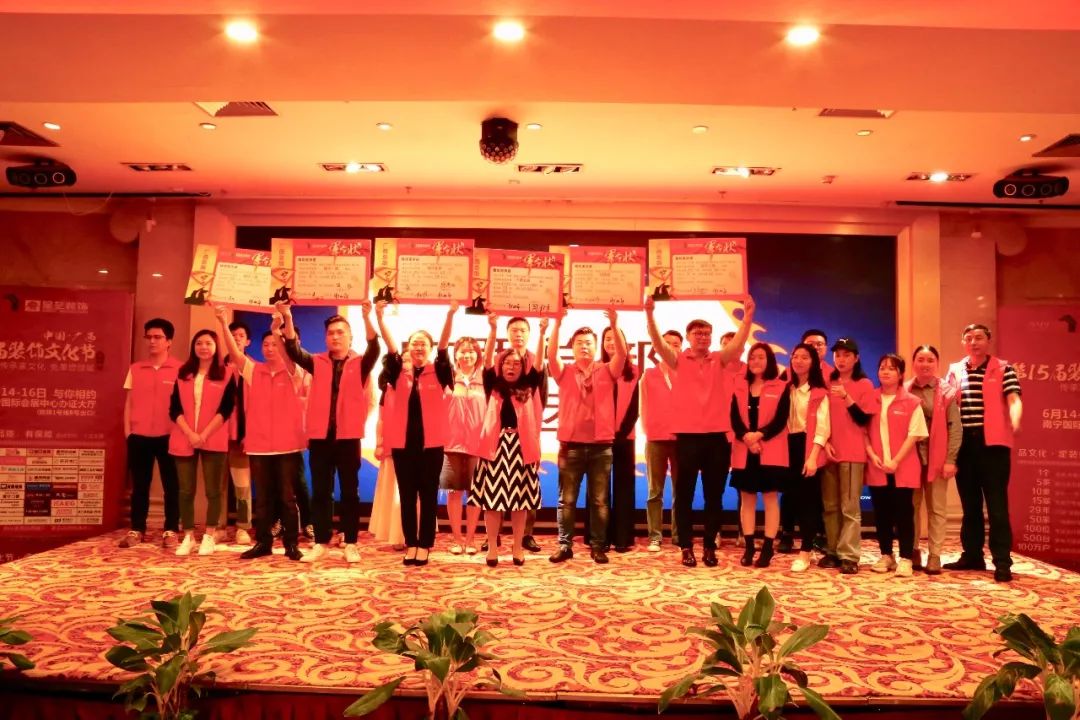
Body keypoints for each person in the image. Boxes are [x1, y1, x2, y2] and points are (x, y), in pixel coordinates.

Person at [644, 295, 755, 567]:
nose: (703, 337)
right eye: (697, 333)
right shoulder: (678, 360)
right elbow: (657, 343)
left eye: (706, 333)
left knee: (714, 496)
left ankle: (709, 546)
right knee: (684, 495)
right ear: (688, 337)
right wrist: (649, 314)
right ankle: (685, 546)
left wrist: (748, 316)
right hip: (687, 438)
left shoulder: (720, 359)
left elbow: (739, 343)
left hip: (717, 438)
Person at [280, 301, 380, 565]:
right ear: (325, 338)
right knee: (321, 492)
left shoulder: (360, 363)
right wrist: (287, 316)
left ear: (350, 337)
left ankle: (351, 542)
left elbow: (375, 347)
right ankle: (321, 543)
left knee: (350, 492)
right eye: (331, 333)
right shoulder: (317, 362)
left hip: (348, 438)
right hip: (320, 438)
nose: (335, 337)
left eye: (340, 332)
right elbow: (292, 349)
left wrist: (367, 317)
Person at [215, 306, 305, 561]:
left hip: (288, 445)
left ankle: (291, 544)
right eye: (265, 344)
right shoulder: (254, 370)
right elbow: (234, 352)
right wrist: (222, 322)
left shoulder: (294, 371)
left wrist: (279, 328)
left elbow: (290, 350)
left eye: (274, 344)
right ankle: (263, 543)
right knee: (263, 498)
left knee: (287, 498)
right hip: (259, 445)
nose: (269, 348)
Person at [378, 301, 456, 566]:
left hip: (431, 447)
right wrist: (379, 317)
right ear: (408, 347)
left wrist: (450, 314)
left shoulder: (440, 372)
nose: (418, 347)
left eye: (423, 344)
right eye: (414, 343)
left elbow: (444, 347)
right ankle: (411, 542)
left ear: (430, 348)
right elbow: (390, 347)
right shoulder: (398, 373)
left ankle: (425, 544)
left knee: (429, 496)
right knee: (407, 496)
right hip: (402, 447)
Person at [943, 323, 1022, 582]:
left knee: (997, 505)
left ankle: (1002, 561)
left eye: (979, 338)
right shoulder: (955, 370)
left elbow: (1014, 398)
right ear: (963, 342)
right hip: (964, 445)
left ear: (988, 341)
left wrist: (1016, 418)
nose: (974, 342)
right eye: (969, 338)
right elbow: (946, 403)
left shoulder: (1003, 368)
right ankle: (972, 555)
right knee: (970, 504)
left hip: (993, 446)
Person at [547, 309, 627, 565]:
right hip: (570, 446)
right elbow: (551, 354)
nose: (584, 346)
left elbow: (622, 354)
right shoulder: (564, 371)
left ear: (596, 347)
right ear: (572, 347)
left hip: (601, 447)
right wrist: (557, 323)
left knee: (600, 501)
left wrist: (614, 323)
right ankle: (565, 545)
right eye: (579, 343)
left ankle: (598, 546)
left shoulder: (607, 370)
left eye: (589, 343)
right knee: (566, 501)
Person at [472, 317, 548, 566]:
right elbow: (486, 360)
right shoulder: (492, 385)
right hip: (494, 448)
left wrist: (543, 332)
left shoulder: (528, 385)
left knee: (520, 502)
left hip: (521, 448)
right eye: (507, 363)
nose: (511, 366)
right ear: (500, 365)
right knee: (492, 502)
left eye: (516, 363)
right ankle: (492, 547)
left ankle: (517, 547)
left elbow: (539, 364)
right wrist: (493, 329)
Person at [168, 329, 236, 557]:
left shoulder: (226, 374)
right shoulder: (183, 373)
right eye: (199, 343)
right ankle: (188, 536)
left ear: (216, 347)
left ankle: (209, 535)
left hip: (213, 437)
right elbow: (174, 408)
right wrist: (190, 433)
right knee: (185, 490)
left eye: (208, 343)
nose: (203, 347)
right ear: (193, 347)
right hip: (184, 436)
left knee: (213, 491)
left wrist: (204, 434)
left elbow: (226, 409)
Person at [119, 318, 182, 549]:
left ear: (169, 341)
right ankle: (137, 529)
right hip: (139, 435)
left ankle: (171, 529)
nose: (152, 341)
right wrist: (128, 432)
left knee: (171, 486)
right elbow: (128, 402)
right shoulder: (136, 369)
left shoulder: (180, 370)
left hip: (170, 435)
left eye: (158, 337)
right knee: (140, 486)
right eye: (149, 337)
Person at [865, 354, 928, 578]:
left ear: (900, 374)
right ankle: (886, 555)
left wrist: (896, 460)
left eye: (891, 368)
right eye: (882, 367)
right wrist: (872, 455)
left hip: (904, 466)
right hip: (877, 464)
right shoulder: (870, 399)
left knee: (904, 513)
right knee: (881, 512)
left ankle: (906, 558)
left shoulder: (911, 401)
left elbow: (915, 434)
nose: (885, 371)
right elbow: (862, 431)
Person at [730, 342, 791, 568]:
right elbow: (734, 417)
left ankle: (767, 548)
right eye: (752, 357)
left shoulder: (781, 386)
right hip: (744, 449)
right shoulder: (739, 385)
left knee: (770, 499)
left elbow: (781, 419)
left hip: (770, 449)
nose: (756, 361)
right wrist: (747, 437)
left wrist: (759, 435)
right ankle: (749, 546)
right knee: (746, 499)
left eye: (761, 357)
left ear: (770, 360)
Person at [819, 338, 874, 574]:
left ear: (856, 358)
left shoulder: (864, 384)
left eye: (846, 355)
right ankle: (832, 551)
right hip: (829, 452)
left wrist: (846, 397)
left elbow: (863, 418)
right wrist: (825, 443)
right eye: (837, 355)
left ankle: (849, 555)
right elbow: (820, 417)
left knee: (850, 508)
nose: (841, 359)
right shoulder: (827, 382)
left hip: (853, 453)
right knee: (830, 506)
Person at [906, 345, 961, 575]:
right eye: (920, 359)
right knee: (911, 507)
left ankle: (935, 554)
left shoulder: (947, 392)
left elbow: (955, 428)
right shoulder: (904, 389)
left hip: (937, 458)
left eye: (930, 360)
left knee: (936, 508)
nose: (925, 364)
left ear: (937, 364)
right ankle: (912, 550)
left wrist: (950, 459)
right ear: (913, 363)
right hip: (910, 458)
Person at [779, 329, 832, 553]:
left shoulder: (819, 391)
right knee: (788, 493)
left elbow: (823, 427)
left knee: (809, 497)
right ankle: (786, 534)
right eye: (796, 357)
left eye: (805, 357)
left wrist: (813, 457)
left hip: (808, 445)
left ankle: (807, 546)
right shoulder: (785, 387)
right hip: (786, 445)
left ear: (814, 362)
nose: (799, 361)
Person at [442, 336, 487, 554]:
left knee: (474, 494)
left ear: (478, 355)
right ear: (456, 355)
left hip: (477, 445)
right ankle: (457, 539)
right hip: (450, 445)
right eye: (462, 351)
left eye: (471, 351)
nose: (467, 355)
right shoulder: (449, 378)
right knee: (454, 493)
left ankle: (470, 539)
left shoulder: (485, 379)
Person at [642, 330, 682, 552]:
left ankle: (679, 535)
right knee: (654, 491)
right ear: (658, 347)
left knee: (680, 490)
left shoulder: (687, 374)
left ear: (681, 349)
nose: (671, 348)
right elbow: (643, 406)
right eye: (666, 343)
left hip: (682, 439)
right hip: (655, 438)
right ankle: (655, 536)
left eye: (675, 344)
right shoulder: (649, 374)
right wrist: (648, 431)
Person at [603, 326, 640, 553]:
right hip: (600, 438)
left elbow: (636, 406)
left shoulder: (634, 371)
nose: (611, 342)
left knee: (624, 488)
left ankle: (623, 538)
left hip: (626, 437)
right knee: (599, 490)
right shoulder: (597, 368)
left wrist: (621, 433)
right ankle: (599, 536)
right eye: (607, 338)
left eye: (615, 338)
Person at [224, 319, 254, 546]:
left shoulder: (254, 369)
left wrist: (249, 434)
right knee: (215, 486)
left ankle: (243, 527)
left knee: (242, 487)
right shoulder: (215, 368)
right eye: (232, 335)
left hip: (241, 437)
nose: (236, 339)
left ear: (248, 341)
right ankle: (217, 527)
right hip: (215, 436)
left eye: (240, 336)